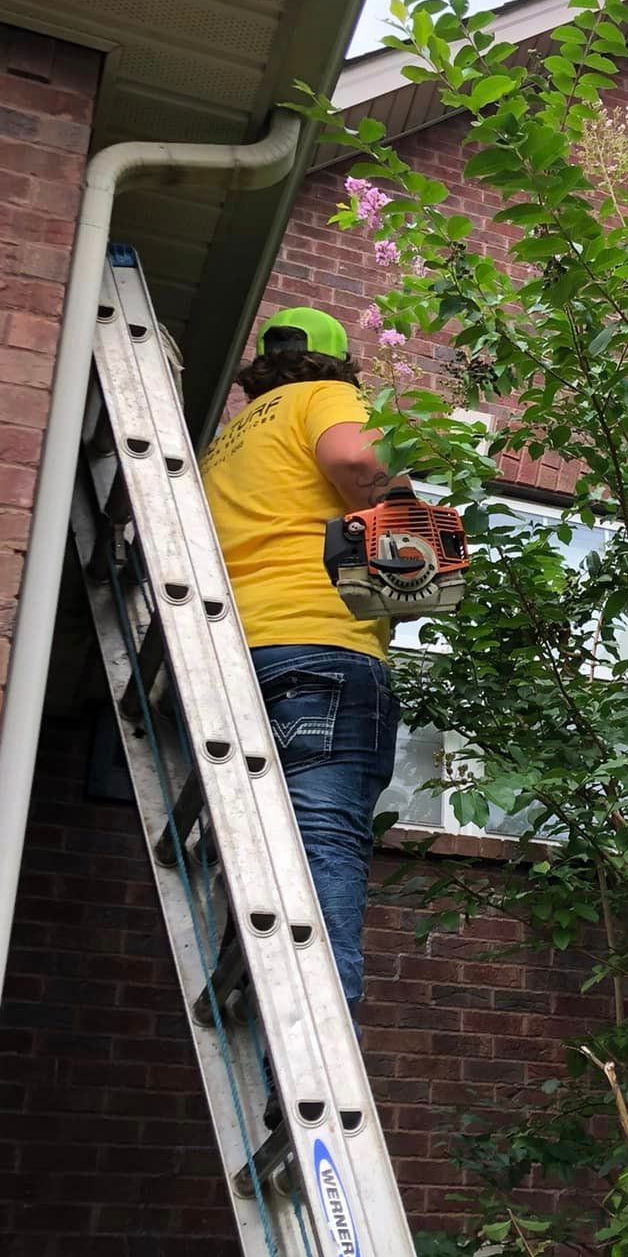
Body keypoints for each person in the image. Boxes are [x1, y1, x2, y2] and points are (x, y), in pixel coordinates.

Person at [202, 305, 403, 1030]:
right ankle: (319, 1028)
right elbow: (357, 461)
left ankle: (264, 1019)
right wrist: (401, 517)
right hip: (322, 646)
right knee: (325, 835)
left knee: (257, 847)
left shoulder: (224, 445)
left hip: (234, 656)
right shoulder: (328, 397)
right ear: (338, 361)